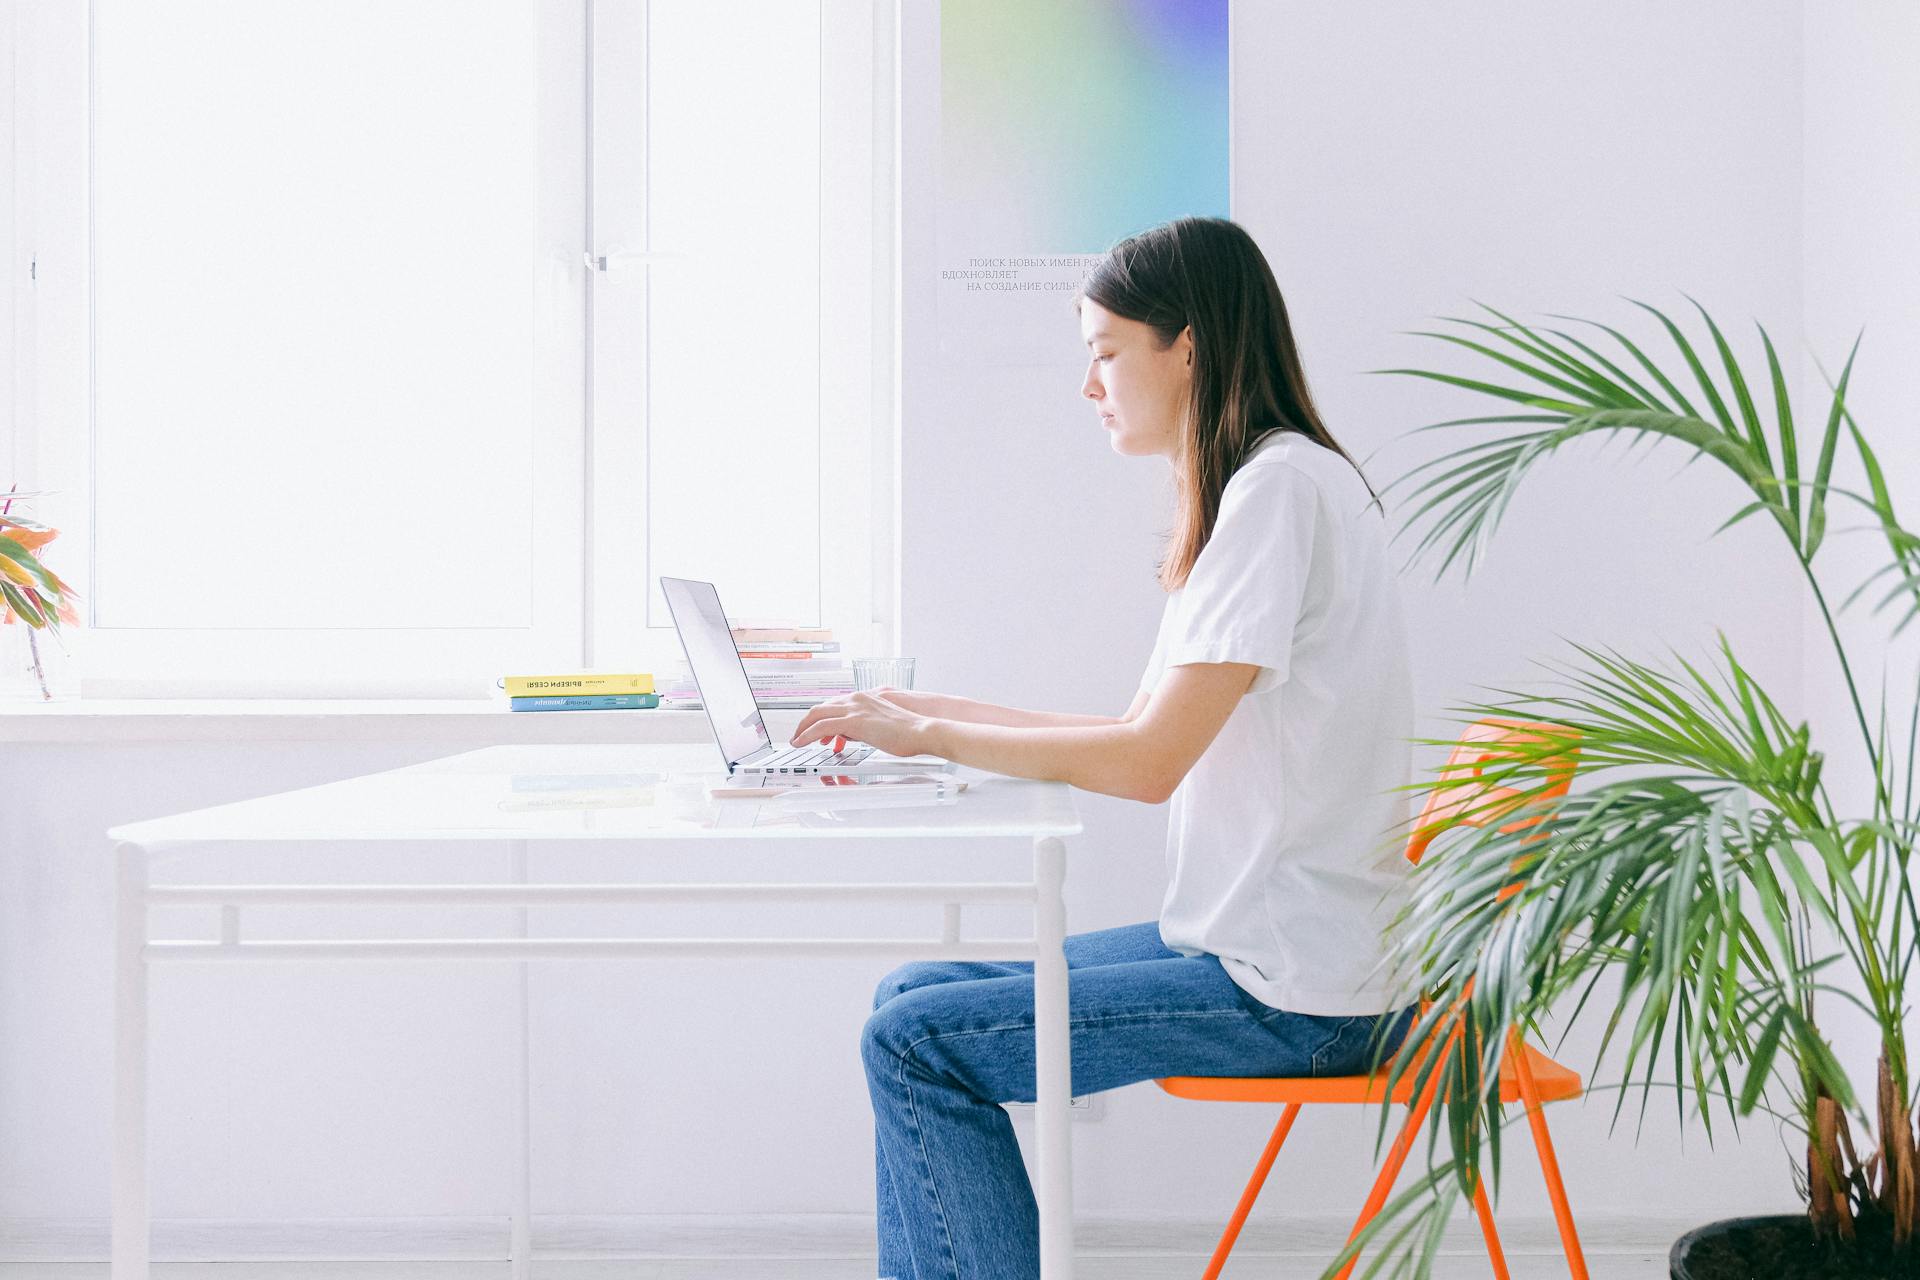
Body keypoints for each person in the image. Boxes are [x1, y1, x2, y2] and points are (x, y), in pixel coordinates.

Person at [789, 216, 1420, 1280]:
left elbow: (1144, 764)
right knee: (909, 996)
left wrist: (936, 733)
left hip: (1294, 988)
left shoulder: (1274, 494)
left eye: (1104, 348)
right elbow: (1140, 728)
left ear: (1189, 347)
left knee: (914, 1044)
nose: (1090, 383)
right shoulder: (1270, 485)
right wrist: (923, 710)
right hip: (1268, 947)